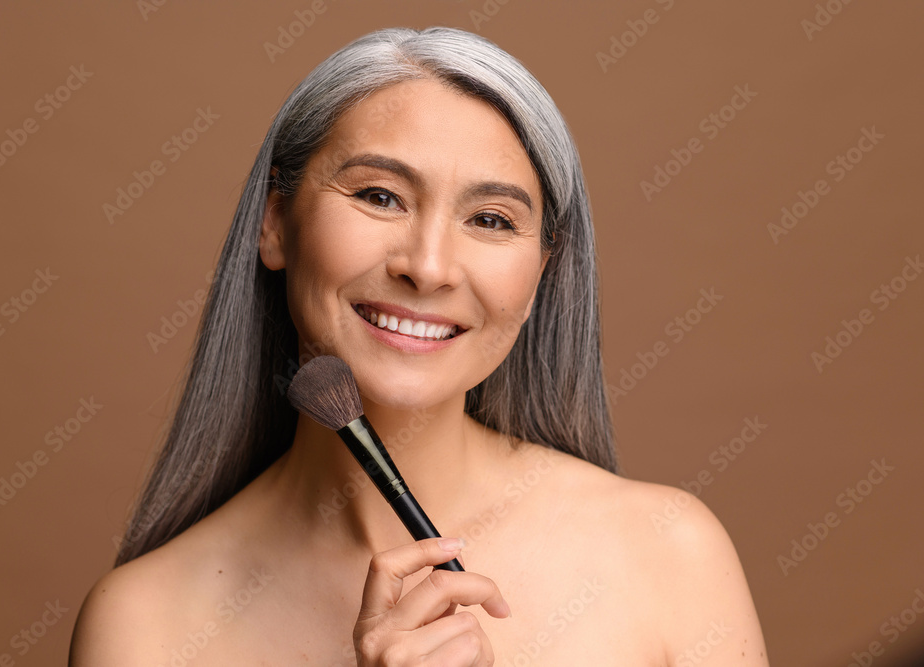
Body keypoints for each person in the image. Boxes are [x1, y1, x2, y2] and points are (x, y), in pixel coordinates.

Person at [69, 26, 769, 666]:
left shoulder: (668, 554)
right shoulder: (142, 625)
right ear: (276, 222)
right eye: (379, 196)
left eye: (490, 218)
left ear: (541, 276)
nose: (428, 266)